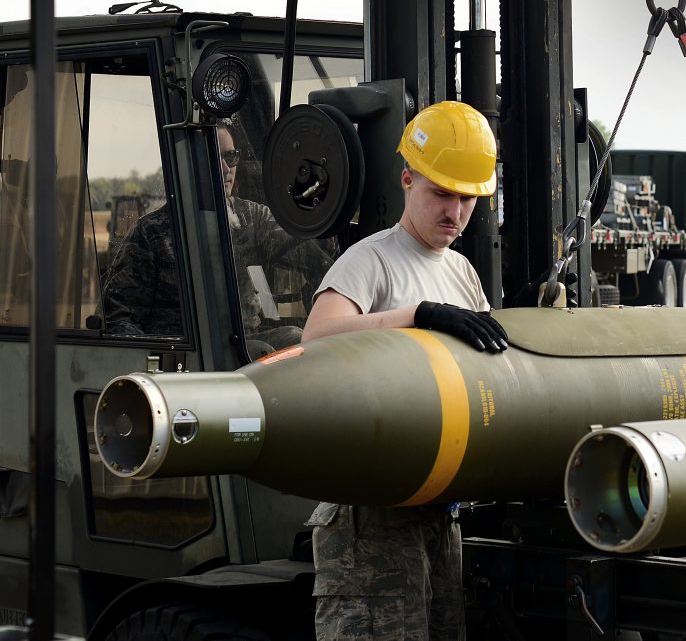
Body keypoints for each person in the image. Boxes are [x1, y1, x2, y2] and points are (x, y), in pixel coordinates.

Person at [301, 101, 509, 641]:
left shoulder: (461, 271)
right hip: (371, 519)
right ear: (407, 179)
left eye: (467, 198)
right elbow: (316, 340)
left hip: (437, 512)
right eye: (441, 193)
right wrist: (414, 316)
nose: (456, 212)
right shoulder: (370, 260)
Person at [103, 121, 332, 351]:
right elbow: (119, 318)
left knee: (298, 341)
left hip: (245, 349)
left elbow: (311, 253)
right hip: (185, 358)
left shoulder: (253, 218)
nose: (225, 168)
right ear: (190, 164)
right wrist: (161, 363)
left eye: (231, 157)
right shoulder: (151, 233)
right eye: (213, 157)